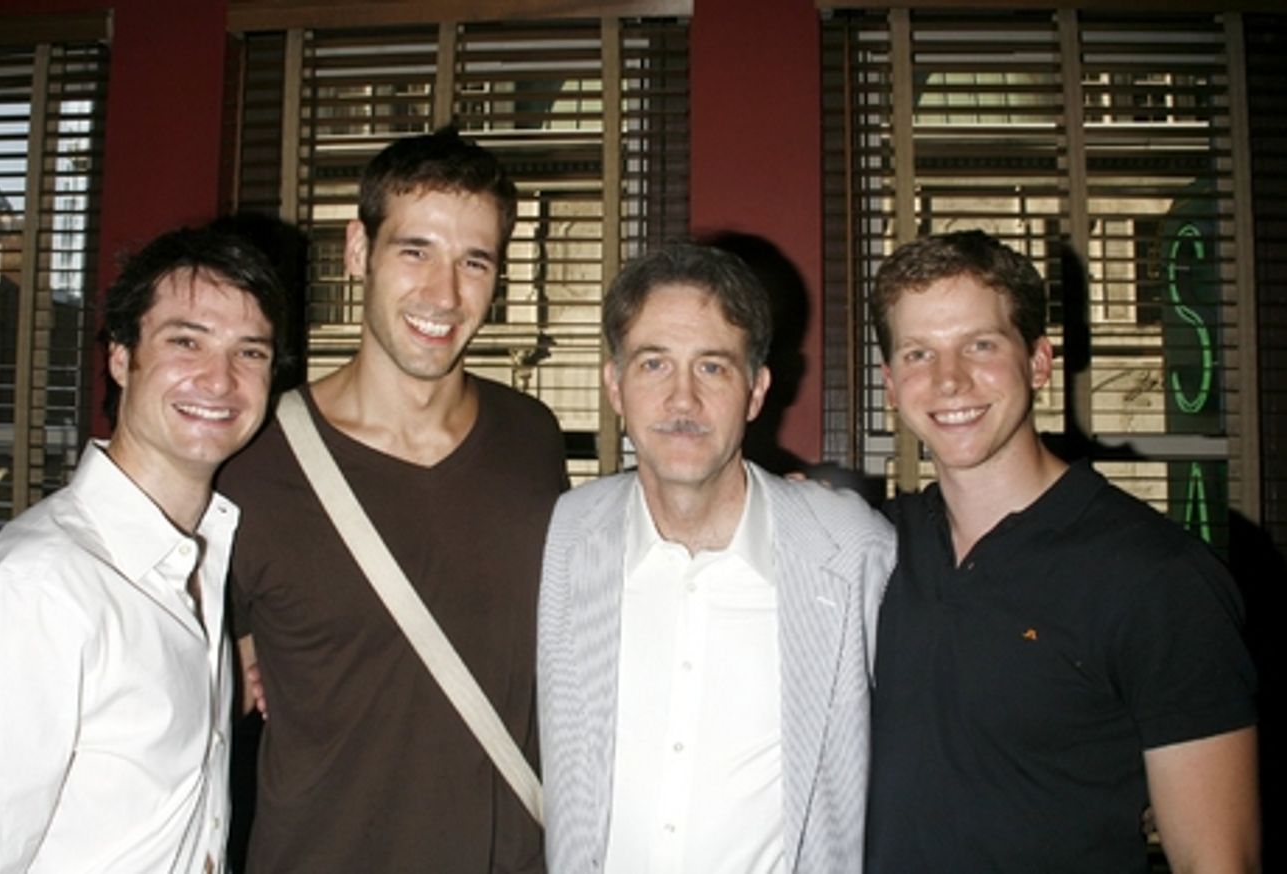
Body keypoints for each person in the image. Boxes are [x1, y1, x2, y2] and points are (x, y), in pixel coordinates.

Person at [219, 127, 566, 872]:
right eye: (415, 251)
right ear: (358, 250)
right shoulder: (252, 464)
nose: (444, 294)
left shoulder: (532, 439)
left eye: (474, 262)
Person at [0, 227, 285, 872]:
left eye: (250, 352)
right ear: (122, 358)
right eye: (186, 342)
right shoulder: (34, 592)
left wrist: (221, 690)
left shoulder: (199, 563)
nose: (220, 380)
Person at [864, 229, 1260, 872]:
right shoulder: (872, 549)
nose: (948, 379)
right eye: (918, 353)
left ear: (1039, 362)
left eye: (980, 344)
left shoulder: (1156, 576)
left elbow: (1216, 860)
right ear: (889, 381)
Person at [538, 244, 895, 874]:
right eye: (654, 364)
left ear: (755, 391)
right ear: (615, 385)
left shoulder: (849, 550)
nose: (682, 400)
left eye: (712, 367)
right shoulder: (566, 533)